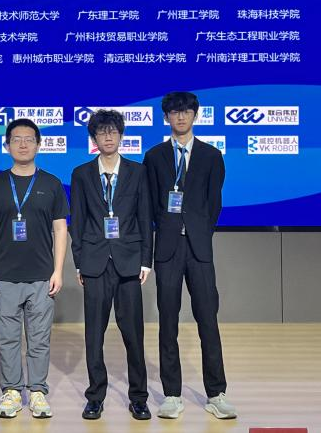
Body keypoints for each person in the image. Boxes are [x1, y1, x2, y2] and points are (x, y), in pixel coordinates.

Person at [143, 91, 236, 420]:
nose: (180, 117)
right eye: (174, 112)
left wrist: (198, 231)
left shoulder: (211, 155)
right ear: (166, 117)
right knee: (167, 322)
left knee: (208, 320)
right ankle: (171, 394)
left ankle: (216, 393)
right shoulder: (154, 156)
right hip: (167, 249)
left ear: (195, 115)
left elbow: (214, 203)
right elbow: (150, 204)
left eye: (185, 111)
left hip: (199, 249)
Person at [0, 118, 69, 419]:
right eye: (16, 139)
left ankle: (38, 391)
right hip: (4, 276)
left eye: (29, 139)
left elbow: (60, 229)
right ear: (7, 145)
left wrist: (58, 270)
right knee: (7, 338)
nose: (22, 144)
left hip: (42, 276)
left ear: (39, 145)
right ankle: (12, 391)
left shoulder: (52, 184)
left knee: (39, 339)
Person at [69, 109, 153, 421]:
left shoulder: (137, 172)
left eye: (113, 132)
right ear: (94, 138)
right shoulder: (81, 174)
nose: (107, 137)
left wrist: (146, 260)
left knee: (134, 334)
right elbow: (77, 221)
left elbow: (145, 217)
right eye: (102, 132)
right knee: (94, 334)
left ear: (121, 136)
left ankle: (139, 398)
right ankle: (95, 396)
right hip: (94, 262)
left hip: (129, 261)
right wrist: (79, 262)